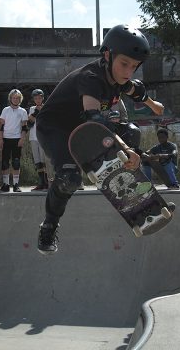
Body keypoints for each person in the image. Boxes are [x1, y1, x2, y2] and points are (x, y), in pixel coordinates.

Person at [35, 24, 152, 255]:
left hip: (82, 128)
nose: (128, 72)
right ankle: (48, 226)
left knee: (131, 131)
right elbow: (95, 121)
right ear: (107, 55)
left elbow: (136, 90)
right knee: (69, 178)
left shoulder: (121, 80)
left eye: (134, 66)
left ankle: (134, 197)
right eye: (124, 64)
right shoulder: (90, 78)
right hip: (54, 128)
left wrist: (150, 105)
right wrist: (126, 150)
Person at [0, 89, 28, 193]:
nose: (16, 99)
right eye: (14, 97)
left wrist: (22, 139)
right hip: (6, 139)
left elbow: (24, 127)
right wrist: (0, 139)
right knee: (5, 163)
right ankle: (5, 185)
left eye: (18, 98)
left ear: (20, 99)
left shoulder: (23, 111)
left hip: (17, 139)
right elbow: (1, 126)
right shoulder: (5, 110)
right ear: (10, 98)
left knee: (16, 163)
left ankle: (16, 185)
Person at [28, 88, 50, 191]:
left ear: (42, 98)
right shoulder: (32, 108)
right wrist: (36, 112)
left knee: (44, 160)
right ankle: (41, 182)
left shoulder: (47, 107)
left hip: (43, 137)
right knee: (37, 161)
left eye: (39, 98)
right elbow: (29, 124)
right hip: (33, 137)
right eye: (36, 98)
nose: (37, 100)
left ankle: (47, 183)